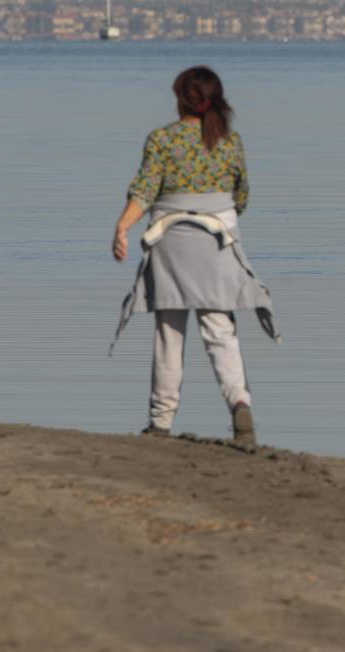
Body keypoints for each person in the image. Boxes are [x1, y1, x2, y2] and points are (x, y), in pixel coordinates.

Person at [110, 66, 280, 445]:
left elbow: (144, 191)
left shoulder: (160, 140)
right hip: (216, 243)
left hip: (169, 244)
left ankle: (161, 421)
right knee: (221, 331)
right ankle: (239, 403)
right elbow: (242, 197)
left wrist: (122, 228)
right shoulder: (230, 142)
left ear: (179, 98)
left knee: (169, 333)